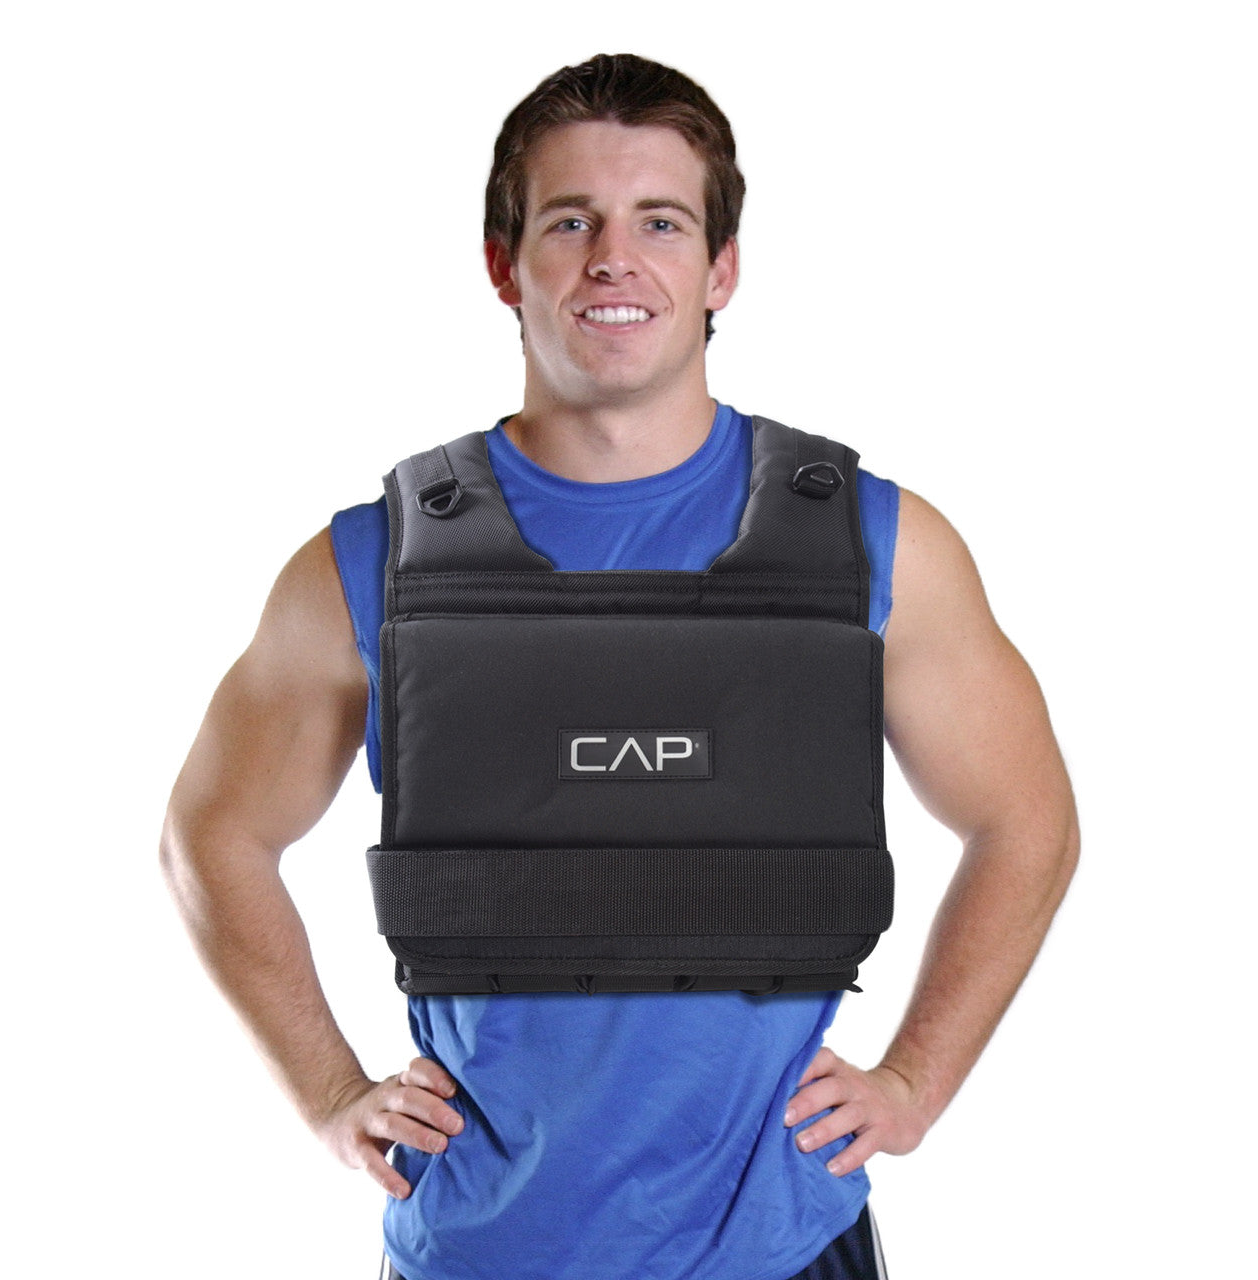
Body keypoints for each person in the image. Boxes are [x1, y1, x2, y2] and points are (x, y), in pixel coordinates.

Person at [161, 53, 1079, 1280]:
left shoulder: (873, 543)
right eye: (568, 222)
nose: (613, 259)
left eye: (659, 222)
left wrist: (913, 1078)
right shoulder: (372, 565)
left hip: (779, 1246)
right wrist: (330, 1090)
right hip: (481, 1249)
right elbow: (210, 836)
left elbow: (1027, 820)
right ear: (504, 264)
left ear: (720, 268)